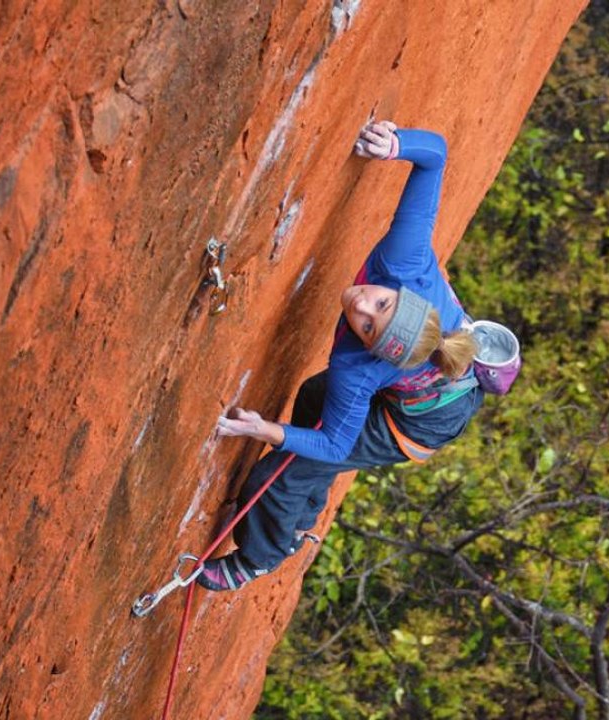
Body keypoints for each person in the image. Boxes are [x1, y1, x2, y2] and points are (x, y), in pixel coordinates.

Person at [199, 120, 482, 591]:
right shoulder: (404, 261)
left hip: (418, 425)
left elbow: (332, 443)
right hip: (447, 378)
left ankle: (258, 558)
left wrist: (263, 429)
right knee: (314, 396)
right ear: (402, 294)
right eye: (382, 303)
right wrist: (396, 145)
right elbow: (434, 155)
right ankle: (304, 511)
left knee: (278, 475)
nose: (361, 304)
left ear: (370, 349)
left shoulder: (357, 367)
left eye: (368, 326)